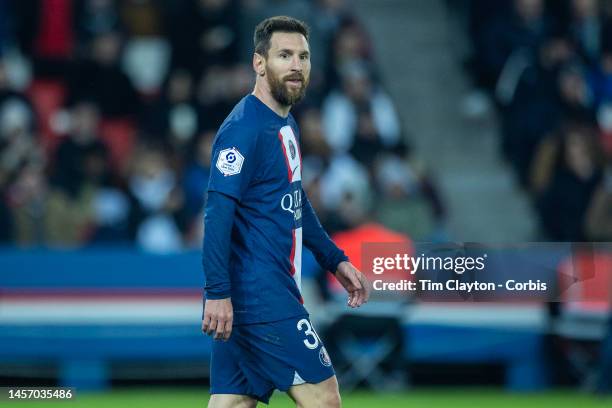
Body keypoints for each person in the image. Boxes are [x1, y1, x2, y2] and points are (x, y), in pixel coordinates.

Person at [201, 16, 371, 407]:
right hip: (261, 296)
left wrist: (334, 260)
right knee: (325, 398)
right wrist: (217, 292)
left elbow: (294, 201)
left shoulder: (285, 122)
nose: (296, 65)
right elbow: (217, 215)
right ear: (259, 63)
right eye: (284, 55)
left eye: (303, 56)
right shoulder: (243, 129)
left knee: (233, 402)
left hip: (255, 295)